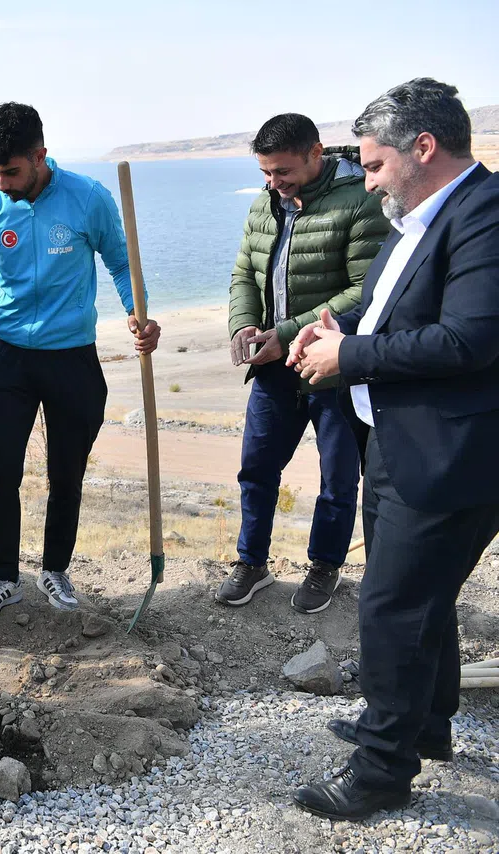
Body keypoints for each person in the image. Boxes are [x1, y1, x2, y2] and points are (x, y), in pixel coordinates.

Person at [288, 78, 499, 820]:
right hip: (396, 441)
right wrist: (328, 332)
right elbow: (381, 309)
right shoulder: (418, 214)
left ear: (424, 148)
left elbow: (469, 339)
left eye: (374, 166)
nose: (366, 179)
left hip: (450, 455)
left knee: (390, 609)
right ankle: (425, 725)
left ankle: (380, 770)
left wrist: (353, 358)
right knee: (421, 602)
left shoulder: (485, 217)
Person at [0, 102, 160, 618]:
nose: (2, 182)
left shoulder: (88, 198)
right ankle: (3, 578)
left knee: (66, 474)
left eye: (11, 171)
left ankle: (55, 572)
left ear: (40, 155)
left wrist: (138, 313)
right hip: (11, 359)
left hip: (73, 360)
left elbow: (121, 263)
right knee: (2, 473)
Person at [219, 114, 388, 613]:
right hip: (274, 368)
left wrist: (287, 333)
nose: (274, 182)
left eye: (283, 172)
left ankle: (324, 568)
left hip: (332, 367)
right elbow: (244, 274)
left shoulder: (360, 202)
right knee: (256, 469)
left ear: (317, 153)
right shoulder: (263, 204)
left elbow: (366, 292)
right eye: (267, 173)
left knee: (337, 480)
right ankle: (252, 564)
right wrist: (244, 325)